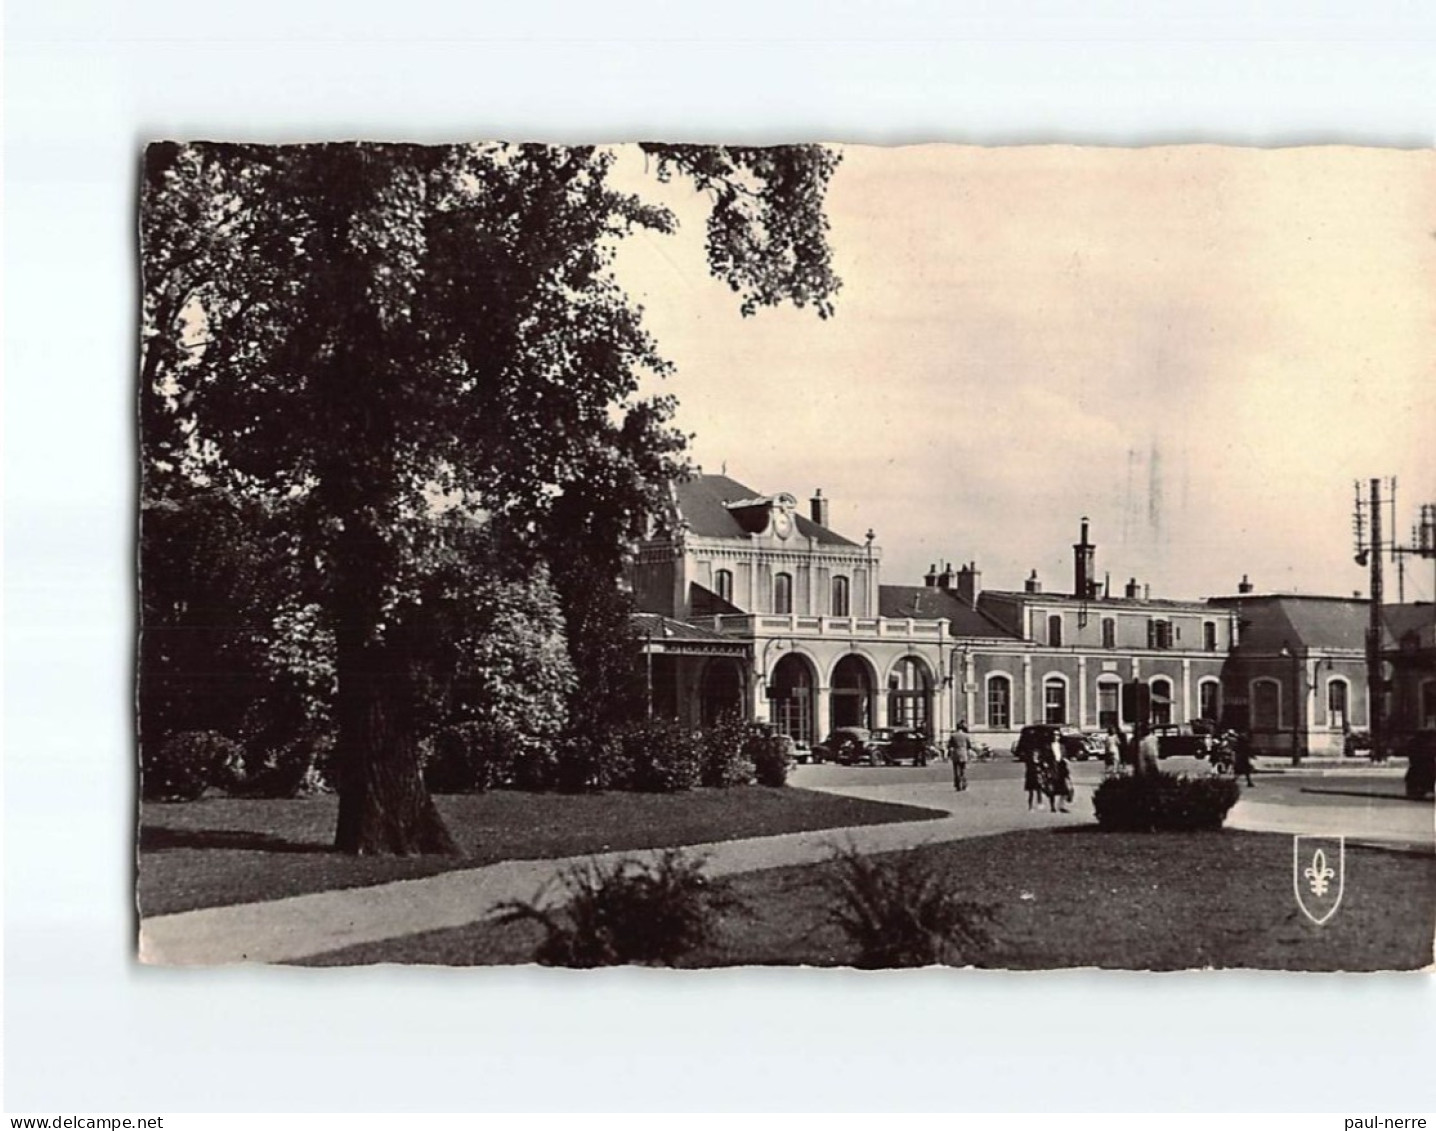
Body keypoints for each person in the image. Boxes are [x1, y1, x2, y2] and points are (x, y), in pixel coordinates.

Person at [948, 721, 973, 792]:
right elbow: (969, 746)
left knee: (956, 770)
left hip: (956, 753)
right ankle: (964, 784)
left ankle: (957, 785)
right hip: (964, 753)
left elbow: (950, 745)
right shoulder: (966, 735)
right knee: (963, 770)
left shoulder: (953, 735)